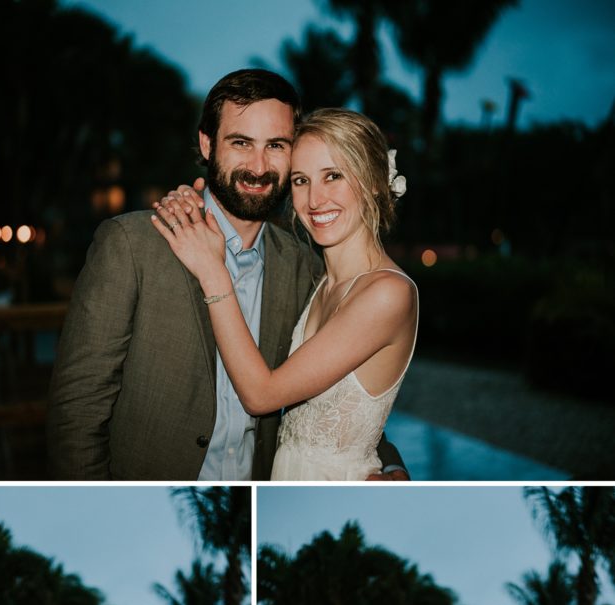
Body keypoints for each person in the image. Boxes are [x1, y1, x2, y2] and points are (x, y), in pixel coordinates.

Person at [47, 68, 405, 481]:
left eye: (276, 145)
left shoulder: (304, 266)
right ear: (206, 143)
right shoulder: (131, 245)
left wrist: (389, 461)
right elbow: (76, 411)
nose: (258, 166)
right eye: (240, 143)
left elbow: (334, 391)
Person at [152, 107, 417, 480]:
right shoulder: (317, 278)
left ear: (374, 181)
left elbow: (262, 396)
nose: (314, 199)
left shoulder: (388, 293)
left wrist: (214, 273)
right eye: (300, 180)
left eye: (333, 176)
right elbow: (342, 407)